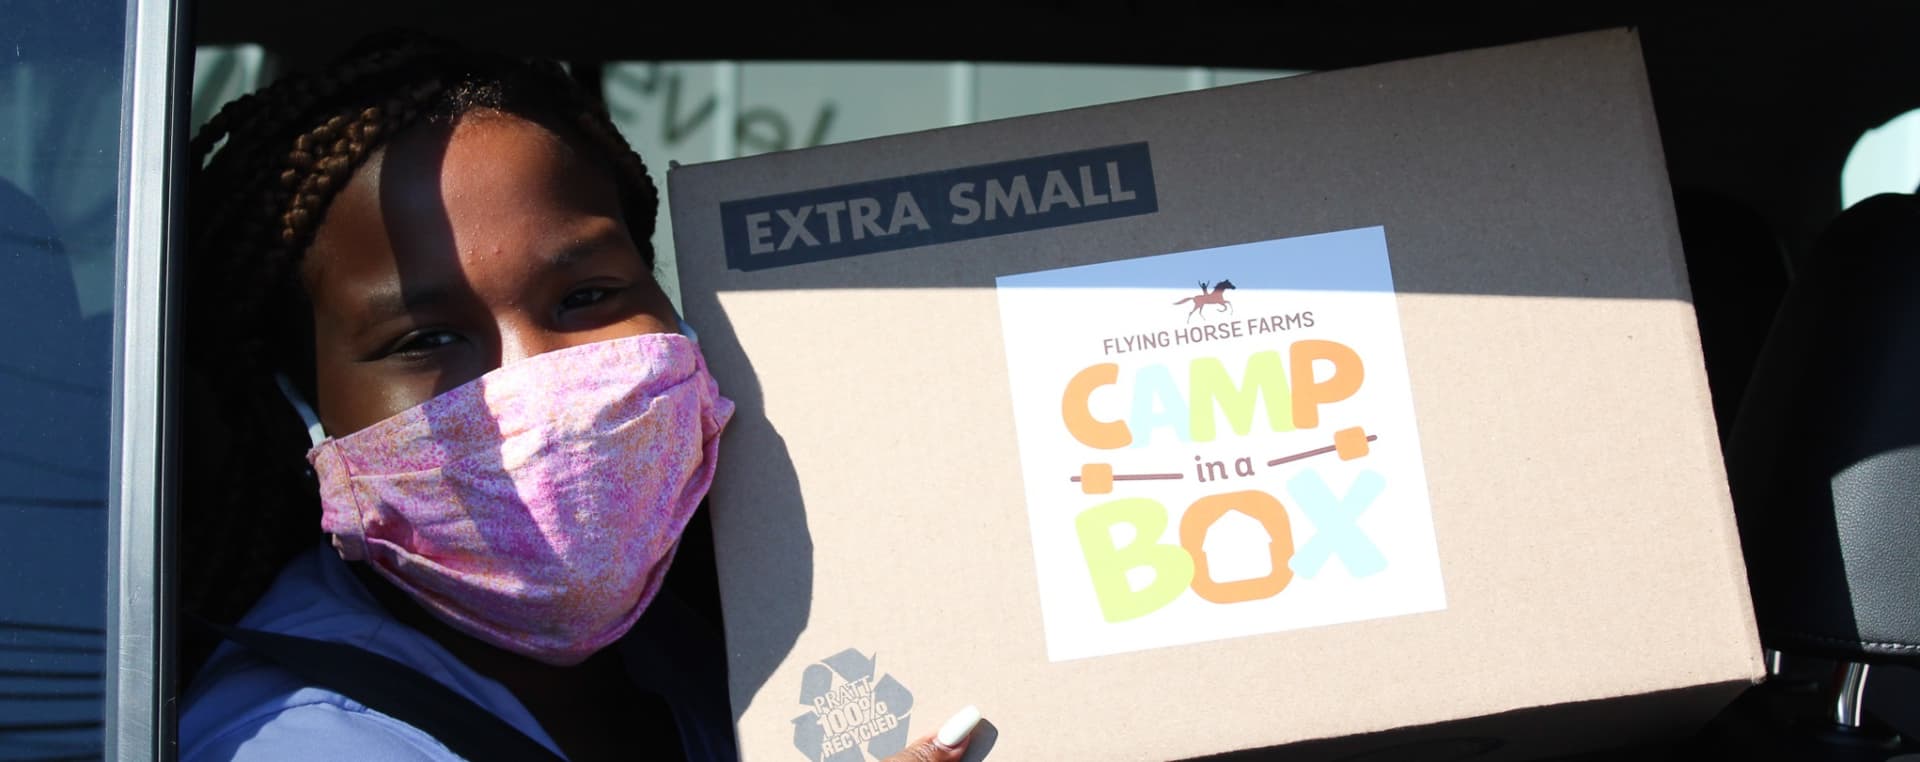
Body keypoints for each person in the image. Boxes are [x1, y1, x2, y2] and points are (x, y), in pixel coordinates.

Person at [175, 30, 979, 762]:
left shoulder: (703, 640)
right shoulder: (296, 740)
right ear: (294, 408)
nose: (536, 398)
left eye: (587, 296)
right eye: (426, 340)